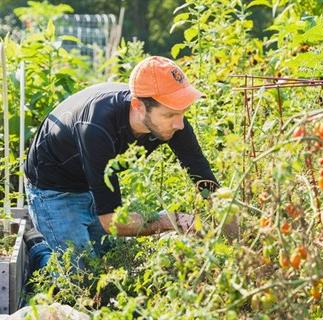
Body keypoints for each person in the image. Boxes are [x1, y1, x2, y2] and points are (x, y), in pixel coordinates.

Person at [24, 56, 219, 269]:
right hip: (53, 187)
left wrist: (233, 229)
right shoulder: (97, 127)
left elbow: (204, 179)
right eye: (171, 114)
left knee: (111, 261)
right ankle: (38, 247)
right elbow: (111, 221)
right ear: (139, 106)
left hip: (90, 178)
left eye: (182, 112)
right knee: (81, 277)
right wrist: (169, 221)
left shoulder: (172, 120)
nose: (180, 124)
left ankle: (50, 242)